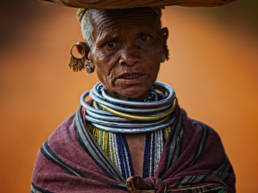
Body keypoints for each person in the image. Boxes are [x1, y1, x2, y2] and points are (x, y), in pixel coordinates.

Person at [31, 1, 236, 193]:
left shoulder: (202, 146)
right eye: (110, 44)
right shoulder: (60, 156)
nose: (128, 58)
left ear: (163, 42)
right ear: (87, 54)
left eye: (143, 38)